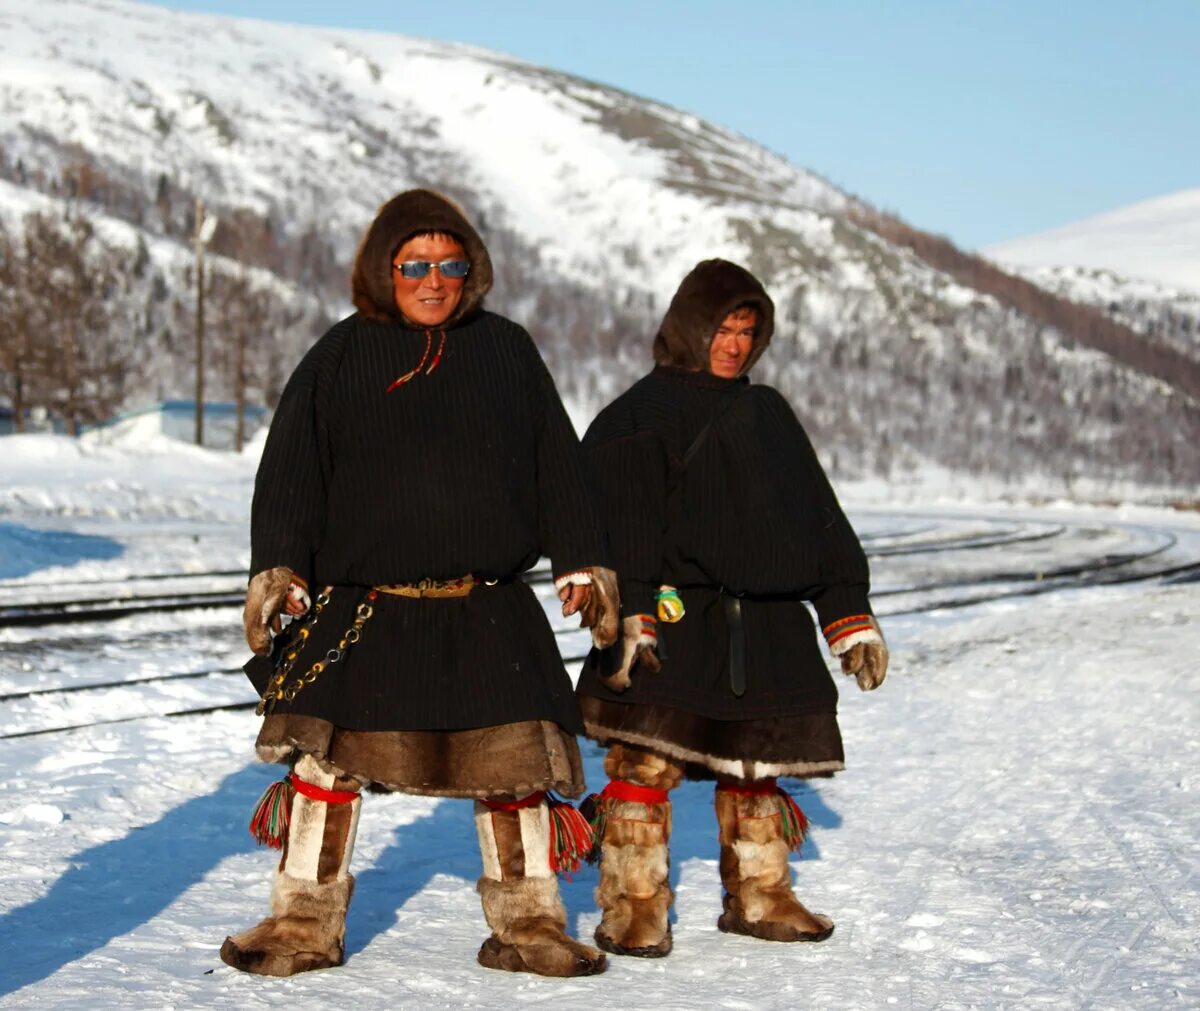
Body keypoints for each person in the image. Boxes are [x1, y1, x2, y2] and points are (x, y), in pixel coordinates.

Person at [220, 189, 618, 979]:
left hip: (488, 606)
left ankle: (530, 923)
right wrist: (281, 567)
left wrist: (581, 558)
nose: (433, 281)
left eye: (450, 264)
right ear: (384, 269)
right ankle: (302, 921)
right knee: (322, 770)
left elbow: (557, 463)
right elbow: (293, 471)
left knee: (519, 772)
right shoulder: (339, 356)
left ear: (472, 270)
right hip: (367, 609)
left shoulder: (508, 351)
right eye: (414, 265)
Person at [575, 258, 887, 957]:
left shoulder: (768, 413)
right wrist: (628, 611)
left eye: (749, 330)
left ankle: (761, 893)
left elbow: (818, 516)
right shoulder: (639, 415)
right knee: (645, 766)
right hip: (670, 616)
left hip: (766, 623)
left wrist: (848, 610)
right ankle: (633, 903)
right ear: (688, 327)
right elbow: (616, 522)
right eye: (723, 328)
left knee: (756, 769)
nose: (736, 344)